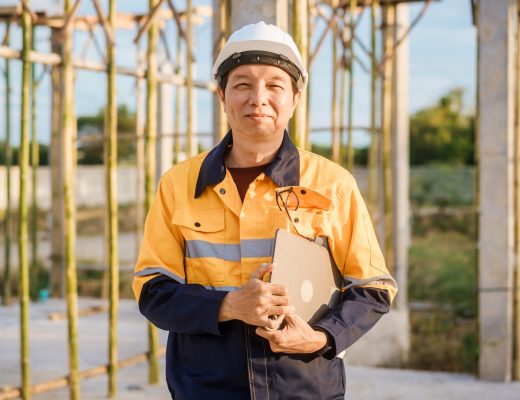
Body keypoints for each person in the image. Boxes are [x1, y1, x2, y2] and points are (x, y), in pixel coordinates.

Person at [133, 21, 397, 400]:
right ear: (222, 95)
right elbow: (153, 292)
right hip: (205, 387)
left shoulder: (332, 184)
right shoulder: (178, 184)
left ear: (295, 97)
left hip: (304, 388)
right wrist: (228, 305)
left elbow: (373, 290)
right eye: (242, 84)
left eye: (275, 85)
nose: (258, 97)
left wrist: (321, 337)